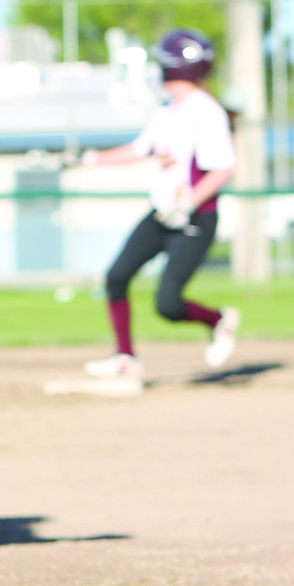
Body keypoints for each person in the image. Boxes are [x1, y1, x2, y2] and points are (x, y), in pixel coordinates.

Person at [79, 28, 239, 387]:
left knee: (167, 304)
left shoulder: (206, 111)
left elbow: (223, 168)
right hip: (162, 214)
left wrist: (188, 204)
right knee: (116, 277)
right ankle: (125, 358)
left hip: (195, 219)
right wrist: (89, 159)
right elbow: (140, 150)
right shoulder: (168, 110)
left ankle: (219, 321)